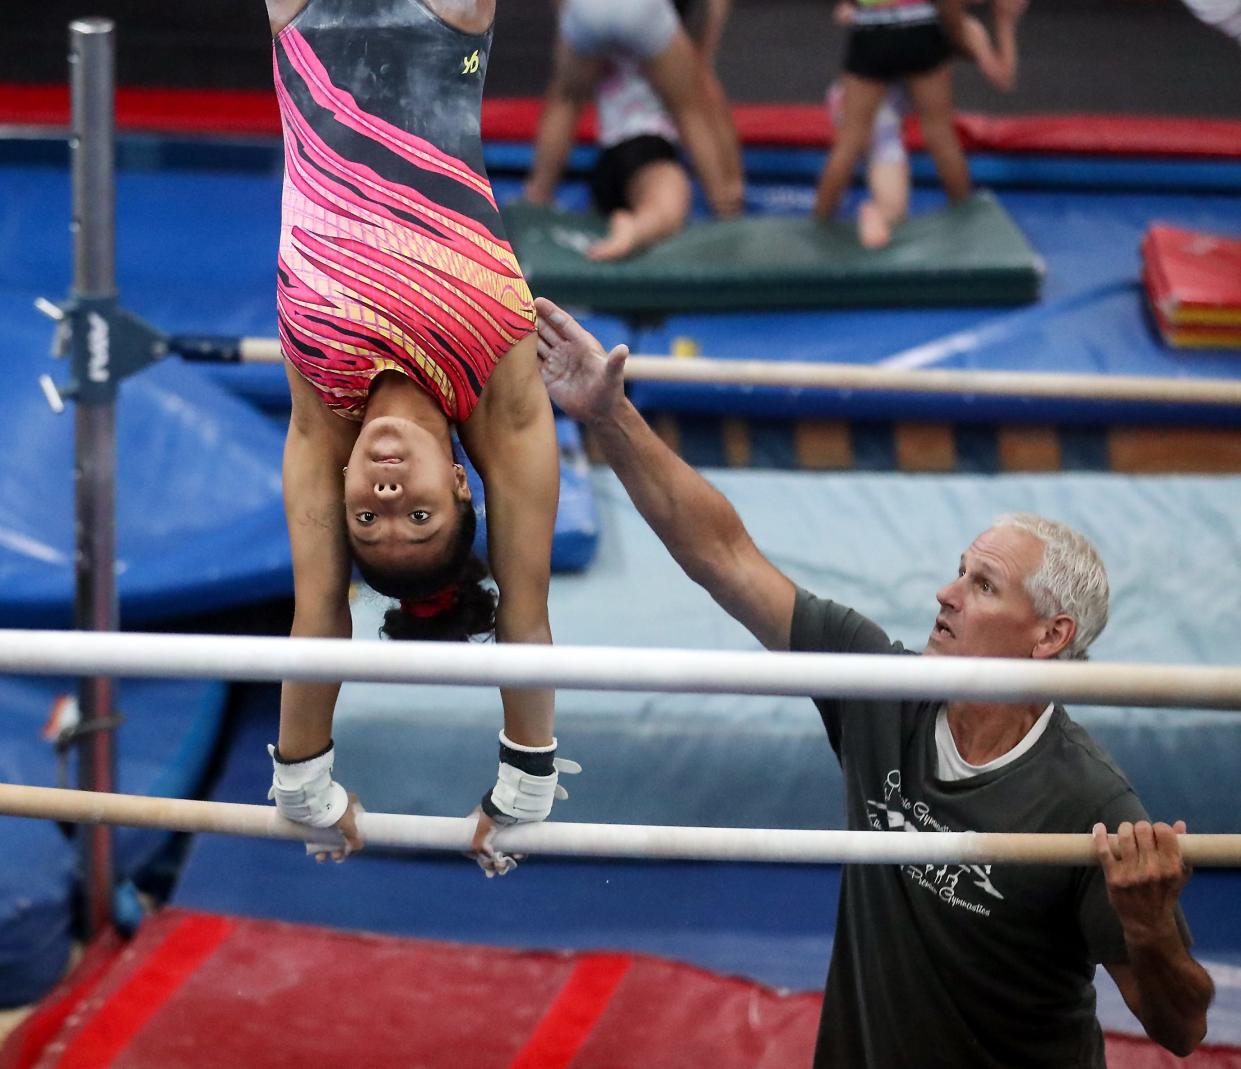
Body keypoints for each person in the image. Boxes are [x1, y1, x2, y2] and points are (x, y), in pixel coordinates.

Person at [533, 297, 1215, 1067]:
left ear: (1049, 636)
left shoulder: (1089, 804)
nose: (945, 594)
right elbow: (724, 555)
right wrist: (609, 415)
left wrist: (1151, 927)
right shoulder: (879, 690)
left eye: (983, 585)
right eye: (957, 571)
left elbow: (1179, 1028)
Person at [263, 0, 575, 874]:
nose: (384, 500)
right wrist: (523, 784)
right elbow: (526, 614)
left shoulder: (321, 412)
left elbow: (319, 612)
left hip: (308, 25)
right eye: (419, 518)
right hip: (441, 28)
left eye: (366, 522)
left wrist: (305, 784)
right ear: (463, 483)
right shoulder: (503, 400)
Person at [524, 0, 744, 260]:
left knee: (566, 98)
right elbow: (700, 109)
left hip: (610, 161)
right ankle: (651, 224)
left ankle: (537, 194)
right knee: (689, 116)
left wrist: (569, 14)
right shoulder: (674, 52)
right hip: (649, 148)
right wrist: (727, 197)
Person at [828, 0, 1025, 248]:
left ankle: (840, 219)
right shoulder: (923, 17)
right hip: (869, 108)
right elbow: (851, 14)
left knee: (887, 160)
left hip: (880, 105)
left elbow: (1004, 78)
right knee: (873, 159)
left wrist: (1005, 22)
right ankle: (852, 218)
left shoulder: (966, 28)